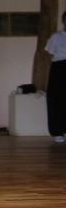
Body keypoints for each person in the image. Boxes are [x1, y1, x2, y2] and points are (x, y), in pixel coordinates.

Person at [45, 11, 66, 143]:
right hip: (59, 68)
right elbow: (49, 54)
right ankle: (57, 132)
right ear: (63, 22)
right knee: (57, 99)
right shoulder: (56, 37)